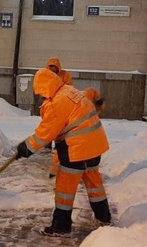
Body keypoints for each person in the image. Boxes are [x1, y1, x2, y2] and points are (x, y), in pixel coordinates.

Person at [15, 68, 112, 237]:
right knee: (93, 182)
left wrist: (27, 147)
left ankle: (61, 227)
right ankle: (104, 217)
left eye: (41, 93)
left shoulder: (56, 103)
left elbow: (46, 132)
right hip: (95, 146)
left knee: (65, 187)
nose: (41, 96)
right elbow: (90, 94)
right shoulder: (70, 91)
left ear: (44, 88)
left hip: (77, 149)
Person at [49, 87, 105, 179]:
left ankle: (55, 173)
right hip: (73, 128)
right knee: (63, 150)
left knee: (62, 151)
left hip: (75, 128)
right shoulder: (85, 98)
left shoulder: (76, 98)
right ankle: (56, 172)